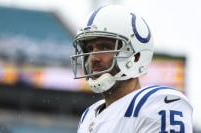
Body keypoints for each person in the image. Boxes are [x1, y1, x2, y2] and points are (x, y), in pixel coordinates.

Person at [70, 5, 193, 133]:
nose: (93, 58)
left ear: (135, 57)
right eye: (90, 49)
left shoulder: (157, 104)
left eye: (105, 47)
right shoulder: (89, 116)